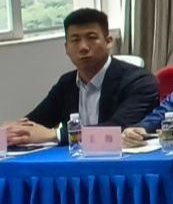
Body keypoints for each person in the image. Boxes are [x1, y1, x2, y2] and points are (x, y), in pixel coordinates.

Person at [9, 9, 160, 146]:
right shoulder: (66, 83)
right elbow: (35, 122)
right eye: (75, 40)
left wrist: (56, 135)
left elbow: (117, 130)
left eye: (91, 38)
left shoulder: (140, 82)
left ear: (108, 42)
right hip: (73, 162)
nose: (83, 47)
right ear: (66, 48)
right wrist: (11, 131)